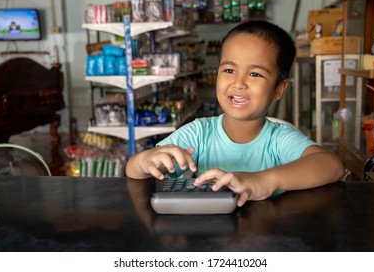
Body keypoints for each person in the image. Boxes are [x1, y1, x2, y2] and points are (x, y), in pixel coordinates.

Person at [125, 20, 345, 207]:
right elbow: (133, 171)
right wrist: (145, 160)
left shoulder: (279, 139)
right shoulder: (199, 132)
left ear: (279, 89)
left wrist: (263, 181)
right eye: (229, 70)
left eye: (255, 74)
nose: (238, 83)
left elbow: (332, 165)